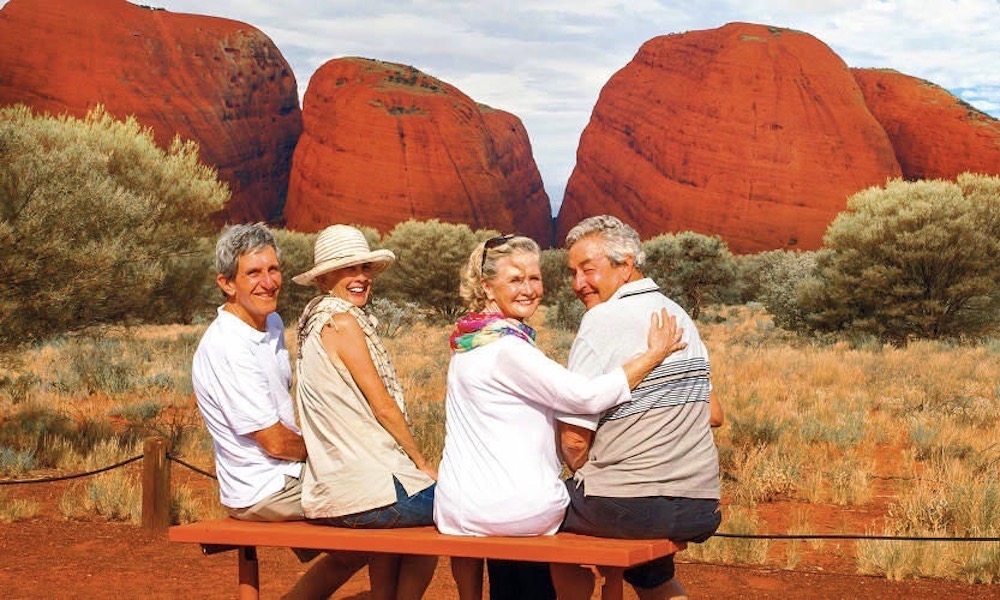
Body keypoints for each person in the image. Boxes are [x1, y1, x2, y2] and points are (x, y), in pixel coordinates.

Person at [433, 233, 686, 600]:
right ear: (488, 288)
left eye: (534, 278)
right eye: (516, 279)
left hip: (458, 509)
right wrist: (651, 355)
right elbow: (584, 397)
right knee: (599, 515)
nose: (529, 289)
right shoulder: (507, 350)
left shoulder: (467, 344)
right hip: (514, 511)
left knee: (512, 533)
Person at [552, 215, 724, 600]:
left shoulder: (601, 320)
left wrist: (588, 473)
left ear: (625, 265)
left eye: (588, 270)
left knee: (533, 516)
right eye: (573, 272)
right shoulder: (679, 315)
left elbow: (574, 443)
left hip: (630, 506)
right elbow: (715, 414)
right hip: (701, 505)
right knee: (649, 572)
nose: (578, 283)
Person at [191, 223, 366, 599]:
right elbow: (273, 440)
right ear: (226, 283)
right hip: (265, 488)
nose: (268, 282)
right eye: (253, 273)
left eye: (273, 269)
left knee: (362, 539)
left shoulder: (269, 322)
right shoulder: (228, 347)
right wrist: (336, 450)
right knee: (381, 504)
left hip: (287, 475)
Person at [292, 224, 437, 600]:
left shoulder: (311, 322)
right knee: (457, 507)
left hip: (337, 491)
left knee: (390, 537)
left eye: (364, 269)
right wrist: (421, 461)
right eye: (348, 269)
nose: (360, 278)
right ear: (324, 277)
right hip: (368, 495)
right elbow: (383, 406)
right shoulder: (342, 322)